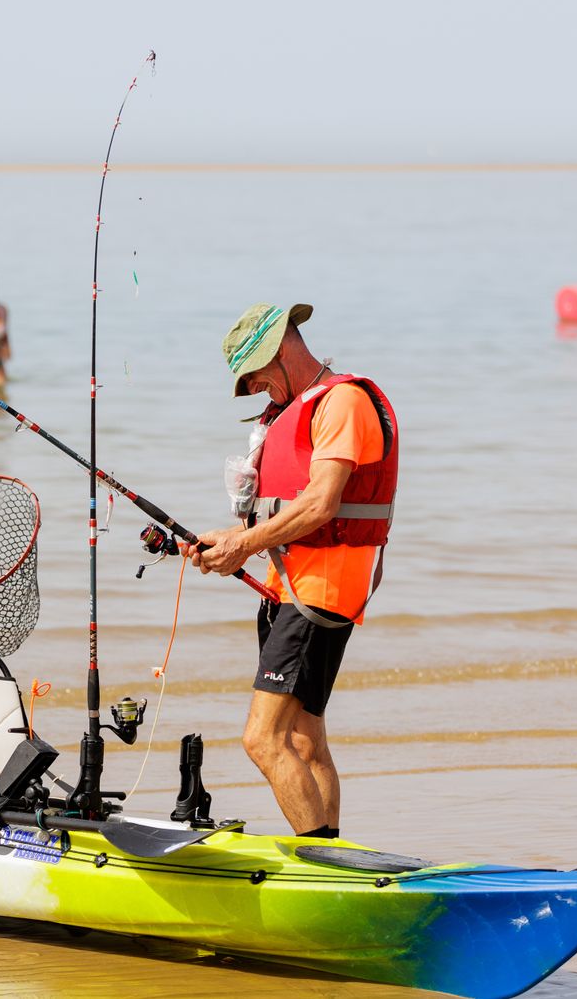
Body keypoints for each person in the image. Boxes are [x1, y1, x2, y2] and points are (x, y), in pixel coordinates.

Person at [186, 303, 399, 838]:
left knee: (262, 739)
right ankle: (336, 858)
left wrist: (242, 546)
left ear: (281, 350)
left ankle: (321, 857)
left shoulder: (343, 402)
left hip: (320, 590)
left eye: (256, 375)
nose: (256, 387)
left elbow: (322, 504)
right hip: (293, 587)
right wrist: (230, 537)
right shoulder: (296, 407)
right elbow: (287, 509)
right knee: (305, 741)